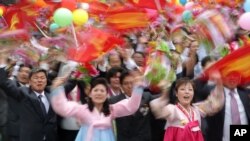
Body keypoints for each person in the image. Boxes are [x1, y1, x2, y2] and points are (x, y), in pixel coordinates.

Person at [50, 74, 144, 141]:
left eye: (102, 91)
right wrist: (57, 89)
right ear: (90, 93)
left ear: (107, 94)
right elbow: (62, 107)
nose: (99, 93)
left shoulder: (112, 110)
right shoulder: (82, 109)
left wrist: (138, 87)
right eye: (96, 90)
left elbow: (131, 107)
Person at [149, 72, 224, 141]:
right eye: (182, 89)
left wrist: (219, 83)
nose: (187, 92)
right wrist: (165, 91)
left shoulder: (197, 109)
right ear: (176, 94)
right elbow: (158, 111)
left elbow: (216, 104)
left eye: (190, 90)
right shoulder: (172, 109)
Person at [0, 67, 58, 141]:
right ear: (29, 81)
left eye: (42, 78)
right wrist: (2, 63)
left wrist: (74, 76)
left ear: (46, 81)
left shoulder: (51, 95)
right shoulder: (23, 92)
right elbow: (4, 83)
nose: (39, 80)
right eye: (36, 78)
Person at [109, 70, 163, 141]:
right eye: (126, 83)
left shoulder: (146, 96)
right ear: (121, 86)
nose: (130, 86)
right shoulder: (113, 101)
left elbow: (162, 99)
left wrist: (165, 87)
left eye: (132, 83)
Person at [206, 71, 250, 141]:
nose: (232, 78)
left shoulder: (246, 93)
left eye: (235, 76)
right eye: (228, 75)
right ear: (222, 77)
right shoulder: (212, 92)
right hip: (221, 138)